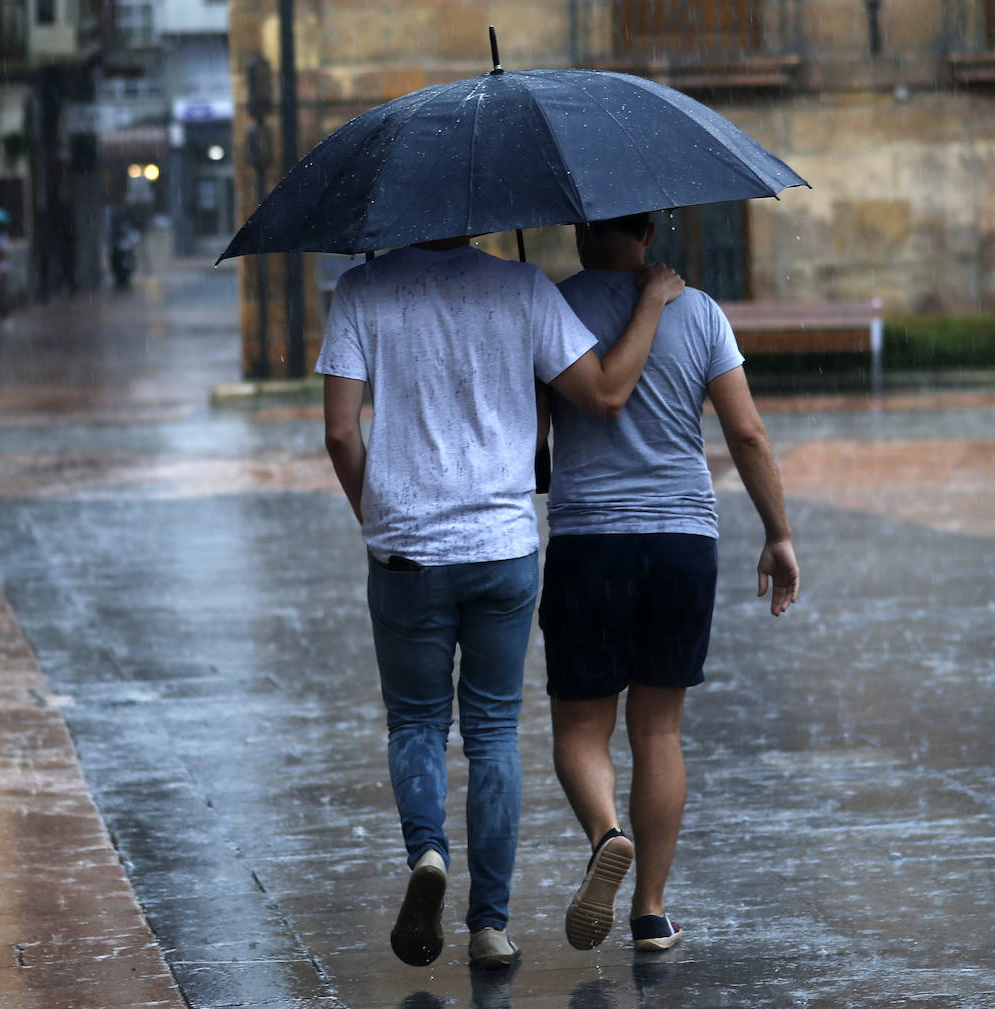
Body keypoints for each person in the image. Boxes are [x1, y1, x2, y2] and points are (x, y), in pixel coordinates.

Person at [316, 234, 684, 971]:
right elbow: (605, 392)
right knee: (492, 732)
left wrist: (378, 512)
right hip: (502, 547)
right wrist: (650, 298)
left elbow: (338, 430)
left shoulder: (362, 290)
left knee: (417, 720)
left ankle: (427, 850)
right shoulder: (523, 287)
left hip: (405, 550)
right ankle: (489, 925)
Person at [539, 212, 800, 953]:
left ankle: (606, 832)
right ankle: (650, 910)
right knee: (659, 728)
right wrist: (777, 533)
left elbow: (531, 438)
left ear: (578, 229)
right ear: (649, 230)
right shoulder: (701, 310)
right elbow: (746, 432)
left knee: (580, 727)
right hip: (683, 539)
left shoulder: (550, 306)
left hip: (590, 541)